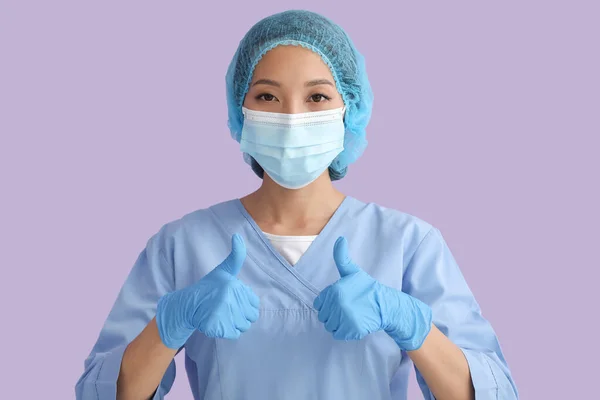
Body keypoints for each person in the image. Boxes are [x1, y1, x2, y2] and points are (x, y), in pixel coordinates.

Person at [75, 9, 518, 400]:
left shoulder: (408, 243)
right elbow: (103, 392)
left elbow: (492, 391)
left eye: (317, 97)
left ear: (350, 110)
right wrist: (169, 326)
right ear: (239, 108)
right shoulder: (182, 244)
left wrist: (412, 327)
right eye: (267, 96)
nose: (292, 117)